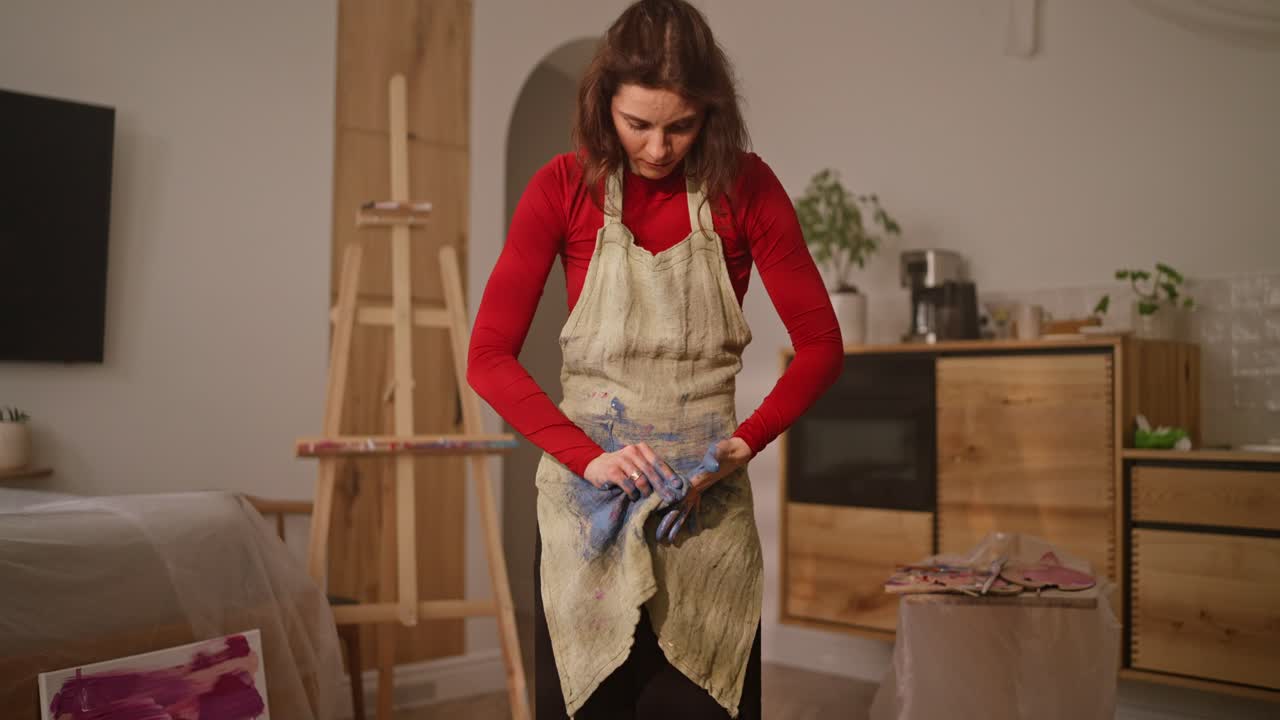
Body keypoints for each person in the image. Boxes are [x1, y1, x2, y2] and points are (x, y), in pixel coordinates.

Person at [467, 1, 842, 717]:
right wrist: (590, 460)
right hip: (587, 515)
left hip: (704, 514)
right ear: (603, 103)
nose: (659, 148)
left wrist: (741, 446)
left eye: (681, 126)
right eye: (637, 123)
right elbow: (487, 357)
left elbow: (822, 347)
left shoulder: (746, 187)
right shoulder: (562, 188)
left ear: (711, 114)